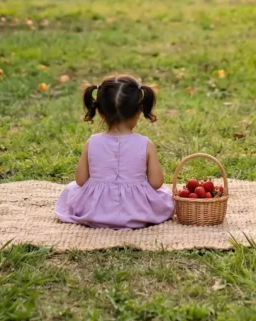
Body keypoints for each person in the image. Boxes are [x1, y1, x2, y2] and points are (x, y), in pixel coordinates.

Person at [54, 73, 175, 229]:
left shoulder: (92, 142)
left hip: (94, 212)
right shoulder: (145, 144)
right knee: (165, 195)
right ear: (139, 112)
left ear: (100, 113)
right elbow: (156, 183)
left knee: (71, 190)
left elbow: (81, 180)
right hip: (138, 213)